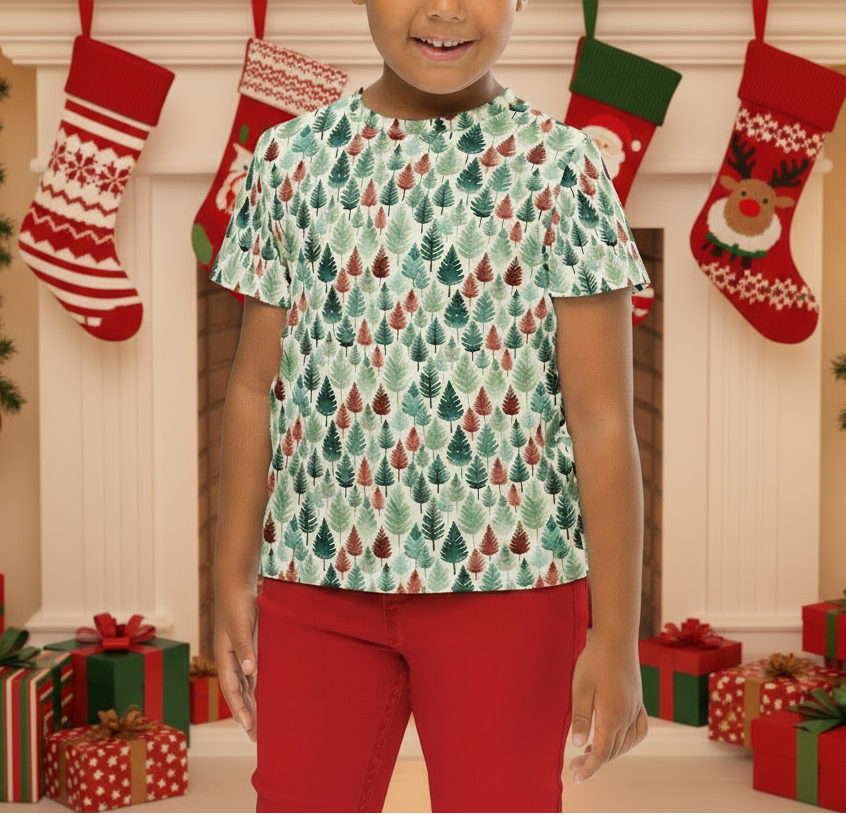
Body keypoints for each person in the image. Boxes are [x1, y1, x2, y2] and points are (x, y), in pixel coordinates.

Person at [211, 1, 649, 811]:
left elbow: (602, 421)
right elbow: (249, 386)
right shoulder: (288, 160)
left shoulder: (563, 169)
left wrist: (617, 638)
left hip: (514, 590)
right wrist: (230, 576)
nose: (444, 7)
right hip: (317, 582)